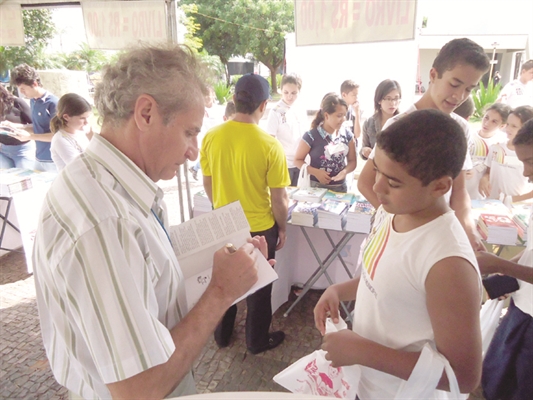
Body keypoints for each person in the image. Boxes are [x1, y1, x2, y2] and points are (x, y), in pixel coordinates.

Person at [32, 45, 262, 399]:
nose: (193, 152)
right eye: (189, 132)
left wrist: (227, 272)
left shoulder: (108, 185)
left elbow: (148, 288)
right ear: (146, 113)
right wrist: (220, 291)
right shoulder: (107, 222)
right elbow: (138, 388)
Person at [314, 109, 482, 399]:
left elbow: (464, 376)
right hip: (368, 384)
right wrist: (339, 290)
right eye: (377, 169)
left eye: (393, 182)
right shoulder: (393, 212)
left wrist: (363, 351)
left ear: (440, 186)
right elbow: (388, 279)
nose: (377, 187)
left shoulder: (447, 264)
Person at [357, 38, 490, 250]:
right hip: (396, 237)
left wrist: (468, 229)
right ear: (433, 74)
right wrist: (398, 218)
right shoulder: (400, 124)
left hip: (435, 237)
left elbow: (458, 191)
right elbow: (365, 183)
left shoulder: (460, 128)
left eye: (469, 89)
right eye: (454, 84)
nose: (459, 96)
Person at [200, 73, 290, 354]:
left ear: (235, 99)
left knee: (223, 282)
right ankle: (256, 341)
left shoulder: (212, 136)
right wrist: (283, 227)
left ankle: (222, 335)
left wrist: (222, 209)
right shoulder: (270, 145)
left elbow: (208, 183)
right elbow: (279, 198)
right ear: (263, 106)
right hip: (260, 228)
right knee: (259, 290)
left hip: (223, 224)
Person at [478, 119, 533, 400]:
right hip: (523, 308)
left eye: (531, 161)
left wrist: (500, 265)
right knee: (498, 379)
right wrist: (501, 281)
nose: (526, 172)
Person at [293, 93, 356, 193]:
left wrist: (345, 172)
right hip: (316, 188)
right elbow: (297, 160)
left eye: (344, 115)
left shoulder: (347, 135)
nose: (343, 119)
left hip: (340, 188)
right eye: (339, 116)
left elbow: (352, 161)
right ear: (326, 115)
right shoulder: (311, 136)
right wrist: (315, 172)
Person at [9, 63, 59, 172]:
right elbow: (38, 126)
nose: (21, 93)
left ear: (35, 84)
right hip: (39, 158)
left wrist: (29, 137)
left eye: (23, 89)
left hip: (54, 159)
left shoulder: (53, 103)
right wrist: (15, 126)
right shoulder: (33, 101)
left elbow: (58, 135)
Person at [479, 105, 533, 204]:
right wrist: (484, 179)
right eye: (508, 124)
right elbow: (488, 172)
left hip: (517, 208)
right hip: (491, 204)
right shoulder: (496, 148)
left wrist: (510, 200)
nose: (508, 129)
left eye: (514, 126)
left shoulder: (528, 155)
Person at [266, 73, 308, 186]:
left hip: (300, 163)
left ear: (299, 91)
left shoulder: (300, 109)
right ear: (281, 91)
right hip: (284, 164)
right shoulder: (275, 111)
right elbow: (270, 140)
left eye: (294, 93)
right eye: (286, 92)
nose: (290, 96)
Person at [466, 103, 510, 200]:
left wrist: (487, 176)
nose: (487, 123)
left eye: (494, 121)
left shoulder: (501, 144)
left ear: (502, 126)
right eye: (486, 118)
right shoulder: (468, 136)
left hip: (483, 196)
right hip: (463, 189)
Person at [360, 79, 402, 160]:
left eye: (396, 98)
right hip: (375, 168)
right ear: (379, 100)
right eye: (388, 98)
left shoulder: (404, 122)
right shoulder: (369, 123)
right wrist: (364, 151)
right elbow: (365, 147)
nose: (393, 103)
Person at [50, 93, 93, 171]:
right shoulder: (60, 140)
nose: (86, 122)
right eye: (82, 118)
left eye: (87, 117)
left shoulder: (82, 133)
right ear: (66, 117)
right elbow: (81, 168)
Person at [0, 84, 35, 169]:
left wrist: (16, 127)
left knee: (26, 179)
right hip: (3, 150)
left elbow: (36, 125)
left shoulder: (17, 103)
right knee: (7, 180)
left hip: (22, 150)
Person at [189, 87, 217, 181]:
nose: (207, 97)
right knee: (208, 157)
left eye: (209, 95)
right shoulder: (200, 110)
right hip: (205, 138)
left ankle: (195, 169)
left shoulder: (218, 109)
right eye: (205, 95)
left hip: (216, 137)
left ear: (213, 95)